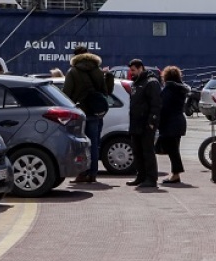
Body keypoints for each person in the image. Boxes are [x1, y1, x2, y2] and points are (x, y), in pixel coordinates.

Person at [63, 45, 115, 184]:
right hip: (97, 113)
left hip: (81, 114)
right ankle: (93, 174)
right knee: (94, 144)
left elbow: (67, 94)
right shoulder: (98, 70)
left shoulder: (73, 71)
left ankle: (82, 173)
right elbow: (105, 92)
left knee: (81, 145)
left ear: (75, 57)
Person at [125, 58, 161, 189]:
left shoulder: (151, 83)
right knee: (137, 151)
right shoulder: (136, 84)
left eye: (133, 70)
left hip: (146, 124)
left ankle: (151, 178)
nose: (131, 73)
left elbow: (156, 104)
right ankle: (140, 176)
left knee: (147, 151)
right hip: (135, 123)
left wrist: (152, 122)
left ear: (141, 68)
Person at [157, 65, 188, 184]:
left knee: (172, 150)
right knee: (174, 149)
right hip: (179, 121)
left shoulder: (168, 90)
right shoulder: (180, 89)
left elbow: (164, 107)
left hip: (170, 122)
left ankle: (176, 174)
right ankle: (175, 173)